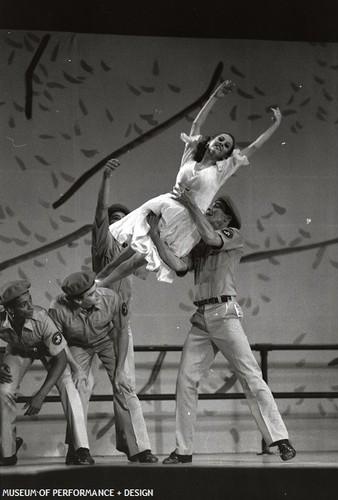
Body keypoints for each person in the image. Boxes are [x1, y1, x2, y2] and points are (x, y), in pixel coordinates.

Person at [146, 191, 296, 463]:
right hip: (202, 319)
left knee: (250, 375)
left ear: (226, 217)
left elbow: (212, 237)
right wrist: (156, 238)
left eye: (215, 209)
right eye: (210, 208)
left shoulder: (232, 235)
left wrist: (191, 204)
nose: (211, 211)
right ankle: (183, 451)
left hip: (225, 314)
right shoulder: (198, 244)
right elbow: (179, 266)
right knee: (185, 382)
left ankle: (280, 439)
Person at [96, 80, 282, 286]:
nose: (222, 144)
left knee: (142, 256)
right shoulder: (190, 158)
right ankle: (99, 277)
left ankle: (100, 285)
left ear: (227, 155)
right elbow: (196, 125)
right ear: (210, 141)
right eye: (220, 139)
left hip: (186, 221)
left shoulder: (220, 172)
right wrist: (215, 97)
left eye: (227, 145)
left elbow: (254, 147)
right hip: (165, 206)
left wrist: (276, 124)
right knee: (134, 249)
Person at [48, 270, 157, 463]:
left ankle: (140, 449)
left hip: (107, 339)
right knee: (78, 386)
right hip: (75, 345)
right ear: (77, 301)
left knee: (125, 385)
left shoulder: (111, 298)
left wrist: (121, 369)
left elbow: (122, 331)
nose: (97, 294)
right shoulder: (57, 308)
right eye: (91, 294)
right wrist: (76, 368)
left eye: (95, 289)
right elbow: (59, 344)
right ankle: (78, 449)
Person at [0, 280, 94, 466]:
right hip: (19, 350)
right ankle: (7, 451)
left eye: (30, 300)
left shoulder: (41, 317)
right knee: (4, 391)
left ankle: (81, 449)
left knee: (68, 386)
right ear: (10, 310)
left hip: (48, 350)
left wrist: (41, 394)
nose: (30, 307)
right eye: (23, 305)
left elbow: (60, 359)